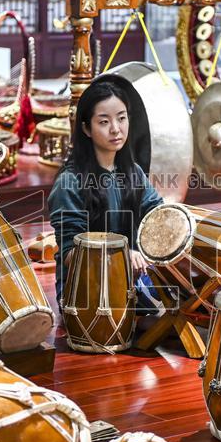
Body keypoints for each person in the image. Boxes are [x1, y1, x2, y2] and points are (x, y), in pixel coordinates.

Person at [48, 76, 164, 307]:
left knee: (188, 295)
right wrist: (121, 255)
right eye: (103, 122)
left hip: (132, 275)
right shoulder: (69, 182)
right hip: (84, 286)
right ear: (86, 129)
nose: (116, 129)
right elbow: (72, 255)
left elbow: (156, 214)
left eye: (121, 119)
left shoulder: (133, 171)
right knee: (162, 320)